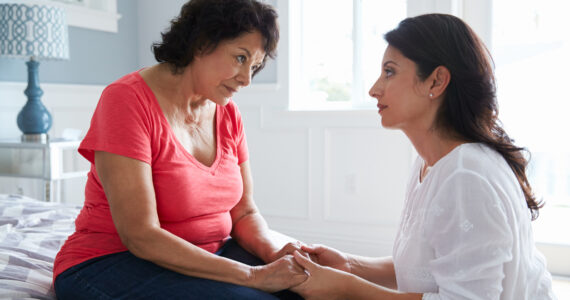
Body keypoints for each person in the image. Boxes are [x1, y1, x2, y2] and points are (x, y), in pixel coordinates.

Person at [289, 14, 556, 300]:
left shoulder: (466, 175)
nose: (374, 89)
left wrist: (346, 288)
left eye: (389, 72)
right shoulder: (431, 163)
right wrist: (351, 266)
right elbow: (437, 266)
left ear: (437, 81)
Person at [53, 0, 308, 299]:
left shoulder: (228, 113)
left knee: (306, 291)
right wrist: (253, 276)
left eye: (254, 66)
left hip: (210, 255)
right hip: (110, 261)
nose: (247, 79)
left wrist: (275, 253)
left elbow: (244, 212)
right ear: (202, 42)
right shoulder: (125, 101)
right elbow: (140, 236)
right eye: (240, 58)